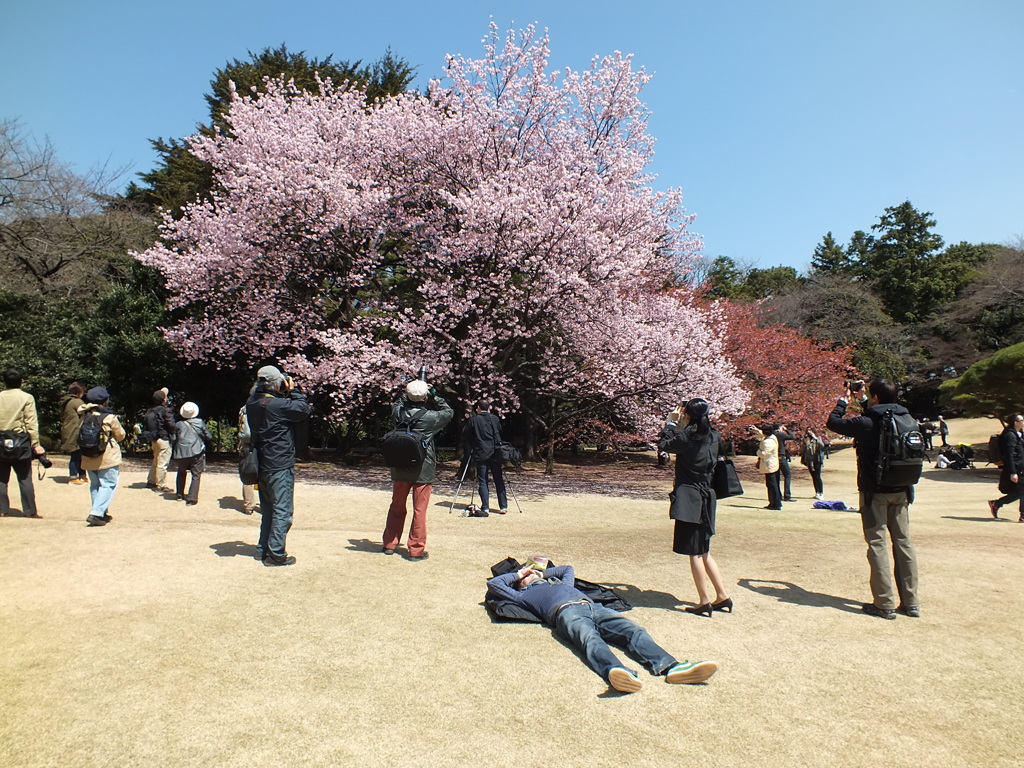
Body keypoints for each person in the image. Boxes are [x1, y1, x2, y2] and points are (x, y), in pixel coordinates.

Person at [487, 561, 718, 693]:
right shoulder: (524, 595)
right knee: (590, 640)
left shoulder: (558, 581)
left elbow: (567, 568)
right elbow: (494, 584)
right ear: (518, 584)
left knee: (633, 631)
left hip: (594, 607)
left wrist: (541, 571)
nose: (532, 574)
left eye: (533, 572)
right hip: (565, 612)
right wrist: (520, 574)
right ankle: (618, 672)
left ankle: (672, 667)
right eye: (527, 575)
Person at [827, 379, 920, 620]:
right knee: (903, 543)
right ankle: (911, 602)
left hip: (874, 491)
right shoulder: (907, 418)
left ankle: (884, 603)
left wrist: (844, 400)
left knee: (877, 543)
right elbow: (878, 413)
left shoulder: (868, 422)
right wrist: (865, 400)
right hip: (902, 489)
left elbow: (834, 423)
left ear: (876, 397)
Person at [658, 398, 732, 617]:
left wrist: (671, 423)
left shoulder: (686, 436)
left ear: (687, 414)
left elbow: (664, 445)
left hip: (690, 498)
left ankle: (703, 600)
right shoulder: (714, 436)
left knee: (695, 554)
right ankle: (722, 595)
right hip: (707, 496)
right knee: (705, 551)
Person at [382, 379, 453, 560]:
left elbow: (397, 403)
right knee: (419, 510)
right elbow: (448, 412)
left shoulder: (398, 413)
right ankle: (415, 550)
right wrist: (435, 395)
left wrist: (408, 392)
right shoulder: (430, 417)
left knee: (396, 506)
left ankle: (390, 543)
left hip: (399, 467)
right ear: (425, 397)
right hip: (423, 469)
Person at [246, 366, 310, 567]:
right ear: (277, 384)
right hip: (279, 463)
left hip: (262, 463)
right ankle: (276, 554)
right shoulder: (278, 405)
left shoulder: (252, 403)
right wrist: (293, 389)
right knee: (283, 510)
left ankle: (262, 549)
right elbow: (303, 409)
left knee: (268, 510)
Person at [0, 368, 46, 518]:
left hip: (1, 439)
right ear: (21, 381)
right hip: (20, 441)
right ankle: (30, 511)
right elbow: (31, 422)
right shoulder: (27, 397)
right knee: (25, 477)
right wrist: (36, 444)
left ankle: (2, 509)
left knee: (1, 478)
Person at [78, 386, 127, 527]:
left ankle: (101, 512)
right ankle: (96, 513)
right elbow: (121, 435)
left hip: (87, 455)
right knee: (108, 484)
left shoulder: (83, 415)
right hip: (106, 456)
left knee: (95, 485)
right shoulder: (109, 417)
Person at [462, 399, 507, 517]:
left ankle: (485, 507)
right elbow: (499, 432)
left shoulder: (473, 420)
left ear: (478, 408)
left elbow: (466, 434)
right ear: (489, 408)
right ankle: (503, 506)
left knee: (483, 480)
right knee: (499, 479)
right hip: (495, 452)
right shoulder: (495, 419)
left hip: (481, 452)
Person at [171, 401, 212, 506]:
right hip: (196, 451)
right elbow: (209, 436)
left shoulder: (178, 424)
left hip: (181, 452)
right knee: (196, 475)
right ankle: (192, 498)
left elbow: (174, 439)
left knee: (181, 472)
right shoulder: (199, 422)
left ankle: (179, 494)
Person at [988, 414, 1024, 522]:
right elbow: (1009, 455)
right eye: (1022, 420)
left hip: (1022, 467)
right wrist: (1013, 472)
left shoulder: (1020, 434)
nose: (1023, 422)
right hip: (1016, 468)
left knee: (1022, 491)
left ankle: (1022, 514)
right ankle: (997, 504)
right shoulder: (1009, 435)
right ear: (1015, 422)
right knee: (1021, 491)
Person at [144, 388, 176, 492]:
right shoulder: (165, 410)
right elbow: (171, 424)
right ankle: (161, 484)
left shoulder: (150, 410)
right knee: (163, 463)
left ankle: (151, 481)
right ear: (164, 400)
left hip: (154, 438)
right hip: (164, 439)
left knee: (156, 460)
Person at [58, 381, 87, 484]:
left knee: (78, 454)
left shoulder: (67, 401)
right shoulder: (76, 401)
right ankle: (73, 477)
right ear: (79, 393)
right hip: (74, 431)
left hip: (69, 430)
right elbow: (84, 411)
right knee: (76, 455)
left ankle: (82, 475)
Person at [750, 423, 782, 510]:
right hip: (773, 464)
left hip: (769, 465)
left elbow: (764, 454)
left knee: (772, 485)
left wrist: (758, 452)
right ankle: (774, 502)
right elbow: (763, 435)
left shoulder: (768, 442)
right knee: (773, 484)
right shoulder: (772, 437)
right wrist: (756, 430)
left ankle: (775, 503)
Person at [237, 401, 258, 514]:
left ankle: (249, 505)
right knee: (265, 475)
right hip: (263, 445)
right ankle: (266, 506)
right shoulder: (267, 406)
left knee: (247, 474)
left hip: (246, 445)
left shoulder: (244, 409)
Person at [801, 427, 826, 500]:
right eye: (808, 431)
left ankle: (821, 492)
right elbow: (803, 449)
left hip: (817, 460)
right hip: (809, 460)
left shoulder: (818, 438)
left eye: (810, 430)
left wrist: (815, 437)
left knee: (818, 476)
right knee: (813, 477)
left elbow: (822, 445)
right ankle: (817, 492)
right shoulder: (806, 439)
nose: (809, 432)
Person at [774, 424, 797, 501]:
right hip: (781, 457)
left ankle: (778, 496)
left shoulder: (772, 435)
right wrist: (786, 430)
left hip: (774, 458)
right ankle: (787, 495)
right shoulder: (780, 434)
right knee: (787, 476)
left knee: (776, 477)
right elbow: (792, 436)